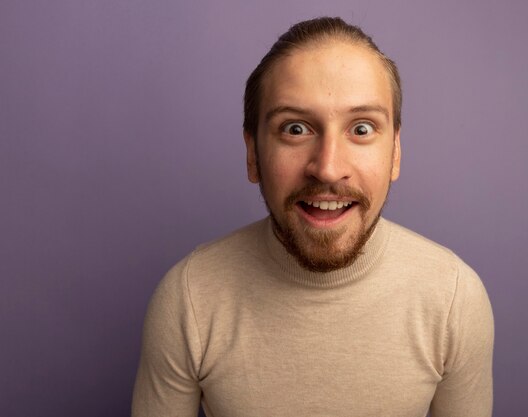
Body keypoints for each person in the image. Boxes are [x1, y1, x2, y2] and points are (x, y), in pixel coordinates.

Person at [132, 16, 494, 417]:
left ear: (395, 152)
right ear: (253, 155)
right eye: (296, 128)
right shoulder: (189, 300)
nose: (327, 167)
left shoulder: (454, 299)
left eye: (360, 128)